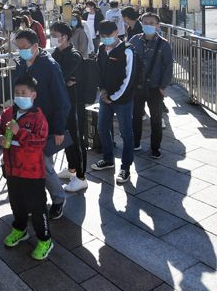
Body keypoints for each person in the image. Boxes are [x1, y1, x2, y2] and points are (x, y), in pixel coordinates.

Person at [0, 76, 53, 260]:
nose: (19, 96)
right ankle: (20, 229)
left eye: (23, 93)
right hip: (12, 169)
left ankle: (45, 239)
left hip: (32, 172)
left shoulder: (38, 117)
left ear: (33, 95)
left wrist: (20, 132)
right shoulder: (8, 112)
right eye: (17, 93)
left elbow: (39, 142)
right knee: (16, 202)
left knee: (37, 206)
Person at [13, 29, 70, 219]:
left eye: (24, 47)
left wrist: (59, 129)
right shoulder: (21, 63)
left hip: (46, 124)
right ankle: (35, 201)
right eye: (18, 48)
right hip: (25, 122)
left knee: (44, 164)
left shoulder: (50, 66)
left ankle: (59, 199)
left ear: (36, 46)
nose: (21, 51)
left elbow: (62, 100)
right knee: (29, 165)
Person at [90, 21, 137, 184]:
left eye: (108, 36)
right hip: (105, 97)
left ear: (117, 32)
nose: (105, 39)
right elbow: (99, 72)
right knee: (103, 128)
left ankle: (125, 168)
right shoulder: (102, 49)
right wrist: (102, 90)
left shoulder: (127, 51)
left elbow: (129, 79)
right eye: (102, 36)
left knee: (126, 133)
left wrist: (113, 97)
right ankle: (108, 159)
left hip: (122, 100)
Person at [49, 23, 88, 193]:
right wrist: (63, 81)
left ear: (65, 36)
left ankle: (81, 177)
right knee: (66, 137)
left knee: (77, 138)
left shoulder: (74, 55)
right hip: (62, 103)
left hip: (75, 103)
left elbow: (59, 77)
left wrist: (62, 80)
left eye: (55, 35)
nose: (52, 38)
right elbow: (57, 77)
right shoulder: (56, 53)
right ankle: (72, 168)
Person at [129, 13, 173, 159]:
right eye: (145, 22)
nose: (148, 25)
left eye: (151, 23)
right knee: (136, 117)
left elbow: (168, 67)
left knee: (156, 119)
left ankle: (155, 148)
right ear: (141, 24)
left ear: (157, 25)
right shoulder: (134, 40)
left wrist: (163, 86)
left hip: (155, 87)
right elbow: (128, 61)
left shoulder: (164, 44)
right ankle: (135, 143)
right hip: (137, 86)